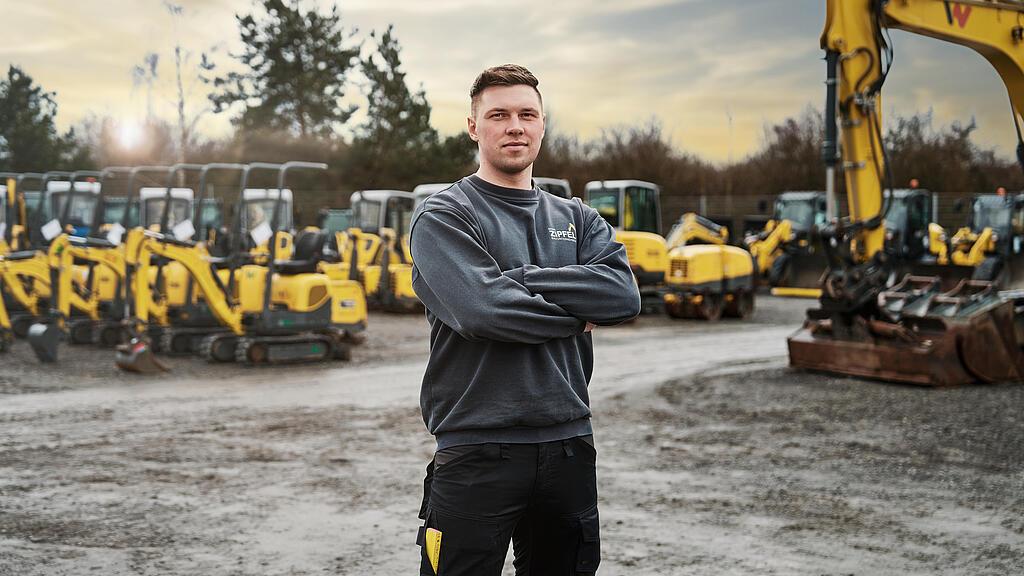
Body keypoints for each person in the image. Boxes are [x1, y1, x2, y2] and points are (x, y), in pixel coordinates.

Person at [409, 64, 641, 576]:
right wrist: (576, 313)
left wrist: (518, 277)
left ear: (541, 124)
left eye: (526, 114)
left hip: (569, 447)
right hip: (476, 448)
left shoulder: (577, 217)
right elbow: (482, 310)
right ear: (474, 126)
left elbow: (623, 295)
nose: (514, 125)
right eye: (498, 115)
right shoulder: (446, 215)